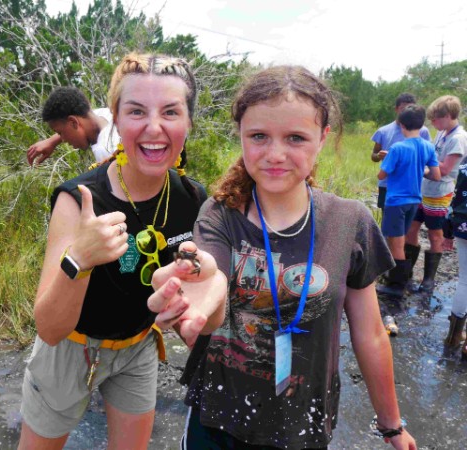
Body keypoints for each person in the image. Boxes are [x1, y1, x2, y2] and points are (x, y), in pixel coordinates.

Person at [152, 66, 416, 449]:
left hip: (302, 426)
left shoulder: (349, 221)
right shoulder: (219, 213)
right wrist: (195, 294)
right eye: (259, 136)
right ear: (241, 135)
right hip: (217, 420)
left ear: (322, 138)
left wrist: (392, 425)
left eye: (296, 137)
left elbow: (371, 334)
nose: (276, 154)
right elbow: (211, 276)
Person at [18, 53, 226, 450]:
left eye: (170, 111)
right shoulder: (79, 199)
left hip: (137, 346)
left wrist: (203, 286)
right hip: (71, 349)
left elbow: (207, 314)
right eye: (136, 111)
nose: (154, 127)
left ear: (188, 122)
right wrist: (79, 259)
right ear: (115, 118)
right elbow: (49, 328)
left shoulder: (192, 197)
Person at [375, 105, 440, 301]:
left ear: (401, 125)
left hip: (396, 200)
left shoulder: (398, 148)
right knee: (401, 239)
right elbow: (435, 174)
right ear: (422, 125)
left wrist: (391, 162)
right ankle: (402, 278)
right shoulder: (428, 146)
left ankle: (397, 285)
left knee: (396, 242)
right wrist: (419, 169)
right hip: (414, 200)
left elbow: (382, 174)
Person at [405, 95, 467, 294]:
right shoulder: (442, 132)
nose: (432, 123)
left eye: (435, 119)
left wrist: (418, 166)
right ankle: (407, 274)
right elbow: (431, 158)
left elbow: (445, 169)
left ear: (448, 116)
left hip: (440, 194)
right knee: (411, 229)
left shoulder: (458, 138)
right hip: (424, 190)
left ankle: (429, 279)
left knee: (434, 234)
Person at [370, 93, 431, 221]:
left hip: (412, 184)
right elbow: (374, 156)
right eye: (403, 109)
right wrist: (380, 155)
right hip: (387, 184)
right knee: (388, 222)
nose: (407, 112)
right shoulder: (384, 131)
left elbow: (427, 158)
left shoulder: (423, 131)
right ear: (397, 109)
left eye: (411, 108)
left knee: (408, 224)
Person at [26, 86, 120, 166]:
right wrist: (51, 141)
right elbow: (83, 118)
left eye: (60, 133)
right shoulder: (106, 114)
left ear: (73, 122)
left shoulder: (107, 152)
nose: (63, 139)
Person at [442, 154, 467, 359]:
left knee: (465, 281)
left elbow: (457, 194)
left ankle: (453, 336)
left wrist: (448, 229)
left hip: (463, 221)